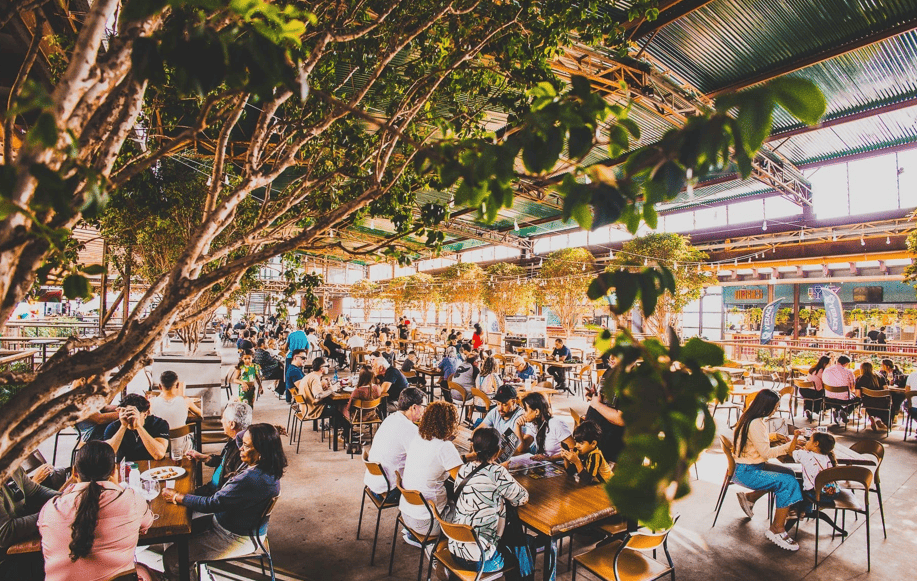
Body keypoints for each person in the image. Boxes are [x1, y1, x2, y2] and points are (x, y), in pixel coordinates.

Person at [161, 424, 287, 581]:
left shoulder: (250, 480)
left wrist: (177, 496)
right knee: (177, 533)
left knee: (172, 558)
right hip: (230, 526)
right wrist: (267, 431)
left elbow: (211, 504)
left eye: (246, 445)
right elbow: (240, 436)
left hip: (234, 537)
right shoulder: (268, 466)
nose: (240, 447)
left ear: (261, 451)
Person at [38, 441, 153, 581]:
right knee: (144, 571)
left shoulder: (51, 508)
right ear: (113, 471)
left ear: (75, 473)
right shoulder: (131, 500)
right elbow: (146, 524)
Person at [449, 427, 529, 573]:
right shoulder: (497, 473)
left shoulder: (463, 469)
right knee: (520, 556)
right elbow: (522, 498)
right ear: (498, 451)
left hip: (454, 550)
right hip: (480, 560)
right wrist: (500, 469)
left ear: (473, 447)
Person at [731, 390, 803, 552]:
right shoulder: (756, 423)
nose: (776, 409)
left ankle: (754, 499)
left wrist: (772, 436)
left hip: (747, 466)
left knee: (788, 473)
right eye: (776, 406)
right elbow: (766, 454)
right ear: (766, 406)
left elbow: (754, 439)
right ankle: (777, 528)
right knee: (788, 482)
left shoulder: (749, 417)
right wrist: (789, 447)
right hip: (747, 472)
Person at [399, 402, 462, 538]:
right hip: (429, 524)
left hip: (407, 516)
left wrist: (466, 458)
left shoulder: (418, 438)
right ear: (450, 423)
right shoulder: (444, 447)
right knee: (476, 511)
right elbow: (463, 481)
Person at [363, 388, 425, 503]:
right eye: (423, 406)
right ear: (414, 407)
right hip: (389, 491)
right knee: (434, 484)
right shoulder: (409, 429)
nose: (424, 411)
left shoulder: (390, 418)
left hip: (373, 483)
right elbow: (421, 460)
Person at [0, 464, 57, 577]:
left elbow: (36, 491)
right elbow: (5, 533)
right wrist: (52, 512)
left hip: (17, 545)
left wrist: (65, 499)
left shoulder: (12, 466)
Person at [186, 401, 252, 495]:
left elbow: (225, 496)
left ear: (232, 424)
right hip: (213, 489)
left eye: (223, 418)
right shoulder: (235, 441)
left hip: (216, 494)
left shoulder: (242, 452)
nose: (221, 421)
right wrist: (204, 457)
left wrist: (181, 497)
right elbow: (225, 462)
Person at [469, 385, 531, 460]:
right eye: (498, 404)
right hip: (496, 454)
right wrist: (474, 440)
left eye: (505, 405)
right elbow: (478, 430)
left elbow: (519, 449)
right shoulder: (495, 411)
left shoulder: (522, 416)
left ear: (513, 402)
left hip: (514, 457)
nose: (500, 408)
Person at [297, 358, 351, 442]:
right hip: (313, 410)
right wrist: (331, 389)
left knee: (333, 404)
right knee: (338, 411)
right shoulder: (315, 378)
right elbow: (318, 396)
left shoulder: (310, 375)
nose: (328, 368)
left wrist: (323, 386)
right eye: (327, 366)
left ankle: (337, 428)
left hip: (305, 408)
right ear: (321, 368)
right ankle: (347, 434)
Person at [150, 370, 202, 456]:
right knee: (192, 437)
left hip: (161, 448)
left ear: (159, 387)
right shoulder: (185, 401)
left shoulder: (152, 403)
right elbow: (200, 414)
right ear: (178, 385)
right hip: (182, 448)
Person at [103, 394, 169, 461]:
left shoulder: (159, 424)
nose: (130, 419)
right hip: (125, 468)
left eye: (134, 415)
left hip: (151, 467)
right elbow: (106, 456)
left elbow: (159, 455)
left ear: (145, 414)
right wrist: (123, 426)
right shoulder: (112, 427)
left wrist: (139, 427)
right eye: (128, 414)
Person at [522, 393, 573, 461]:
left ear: (536, 412)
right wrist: (517, 426)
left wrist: (550, 458)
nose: (523, 413)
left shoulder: (556, 424)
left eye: (526, 410)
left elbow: (573, 449)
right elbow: (523, 447)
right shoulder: (534, 424)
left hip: (561, 464)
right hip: (546, 463)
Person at [584, 385, 625, 466]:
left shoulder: (634, 380)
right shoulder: (615, 373)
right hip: (595, 444)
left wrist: (597, 404)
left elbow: (621, 418)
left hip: (609, 449)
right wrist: (597, 395)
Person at [561, 420, 613, 485]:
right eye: (576, 442)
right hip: (595, 486)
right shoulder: (580, 451)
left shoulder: (595, 455)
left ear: (593, 443)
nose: (576, 445)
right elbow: (571, 472)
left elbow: (588, 480)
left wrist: (577, 462)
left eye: (581, 443)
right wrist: (566, 459)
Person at [792, 432, 838, 497]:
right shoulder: (829, 457)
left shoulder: (805, 455)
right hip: (833, 493)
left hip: (816, 494)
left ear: (816, 444)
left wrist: (795, 436)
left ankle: (802, 507)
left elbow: (791, 452)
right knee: (806, 482)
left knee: (795, 482)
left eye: (810, 440)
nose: (807, 442)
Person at [821, 355, 859, 424]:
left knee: (836, 398)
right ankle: (845, 412)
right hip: (843, 399)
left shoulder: (826, 370)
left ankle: (838, 412)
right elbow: (853, 388)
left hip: (828, 398)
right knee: (859, 399)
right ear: (846, 364)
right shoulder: (849, 372)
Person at [857, 361, 889, 432]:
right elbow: (886, 390)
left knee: (869, 402)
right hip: (882, 403)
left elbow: (858, 394)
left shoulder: (860, 379)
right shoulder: (880, 376)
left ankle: (873, 417)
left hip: (867, 403)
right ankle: (878, 419)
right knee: (885, 405)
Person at [801, 355, 830, 421]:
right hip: (814, 392)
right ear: (825, 364)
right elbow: (826, 381)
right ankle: (817, 409)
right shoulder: (822, 371)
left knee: (810, 397)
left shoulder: (813, 368)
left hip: (804, 390)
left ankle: (808, 409)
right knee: (824, 395)